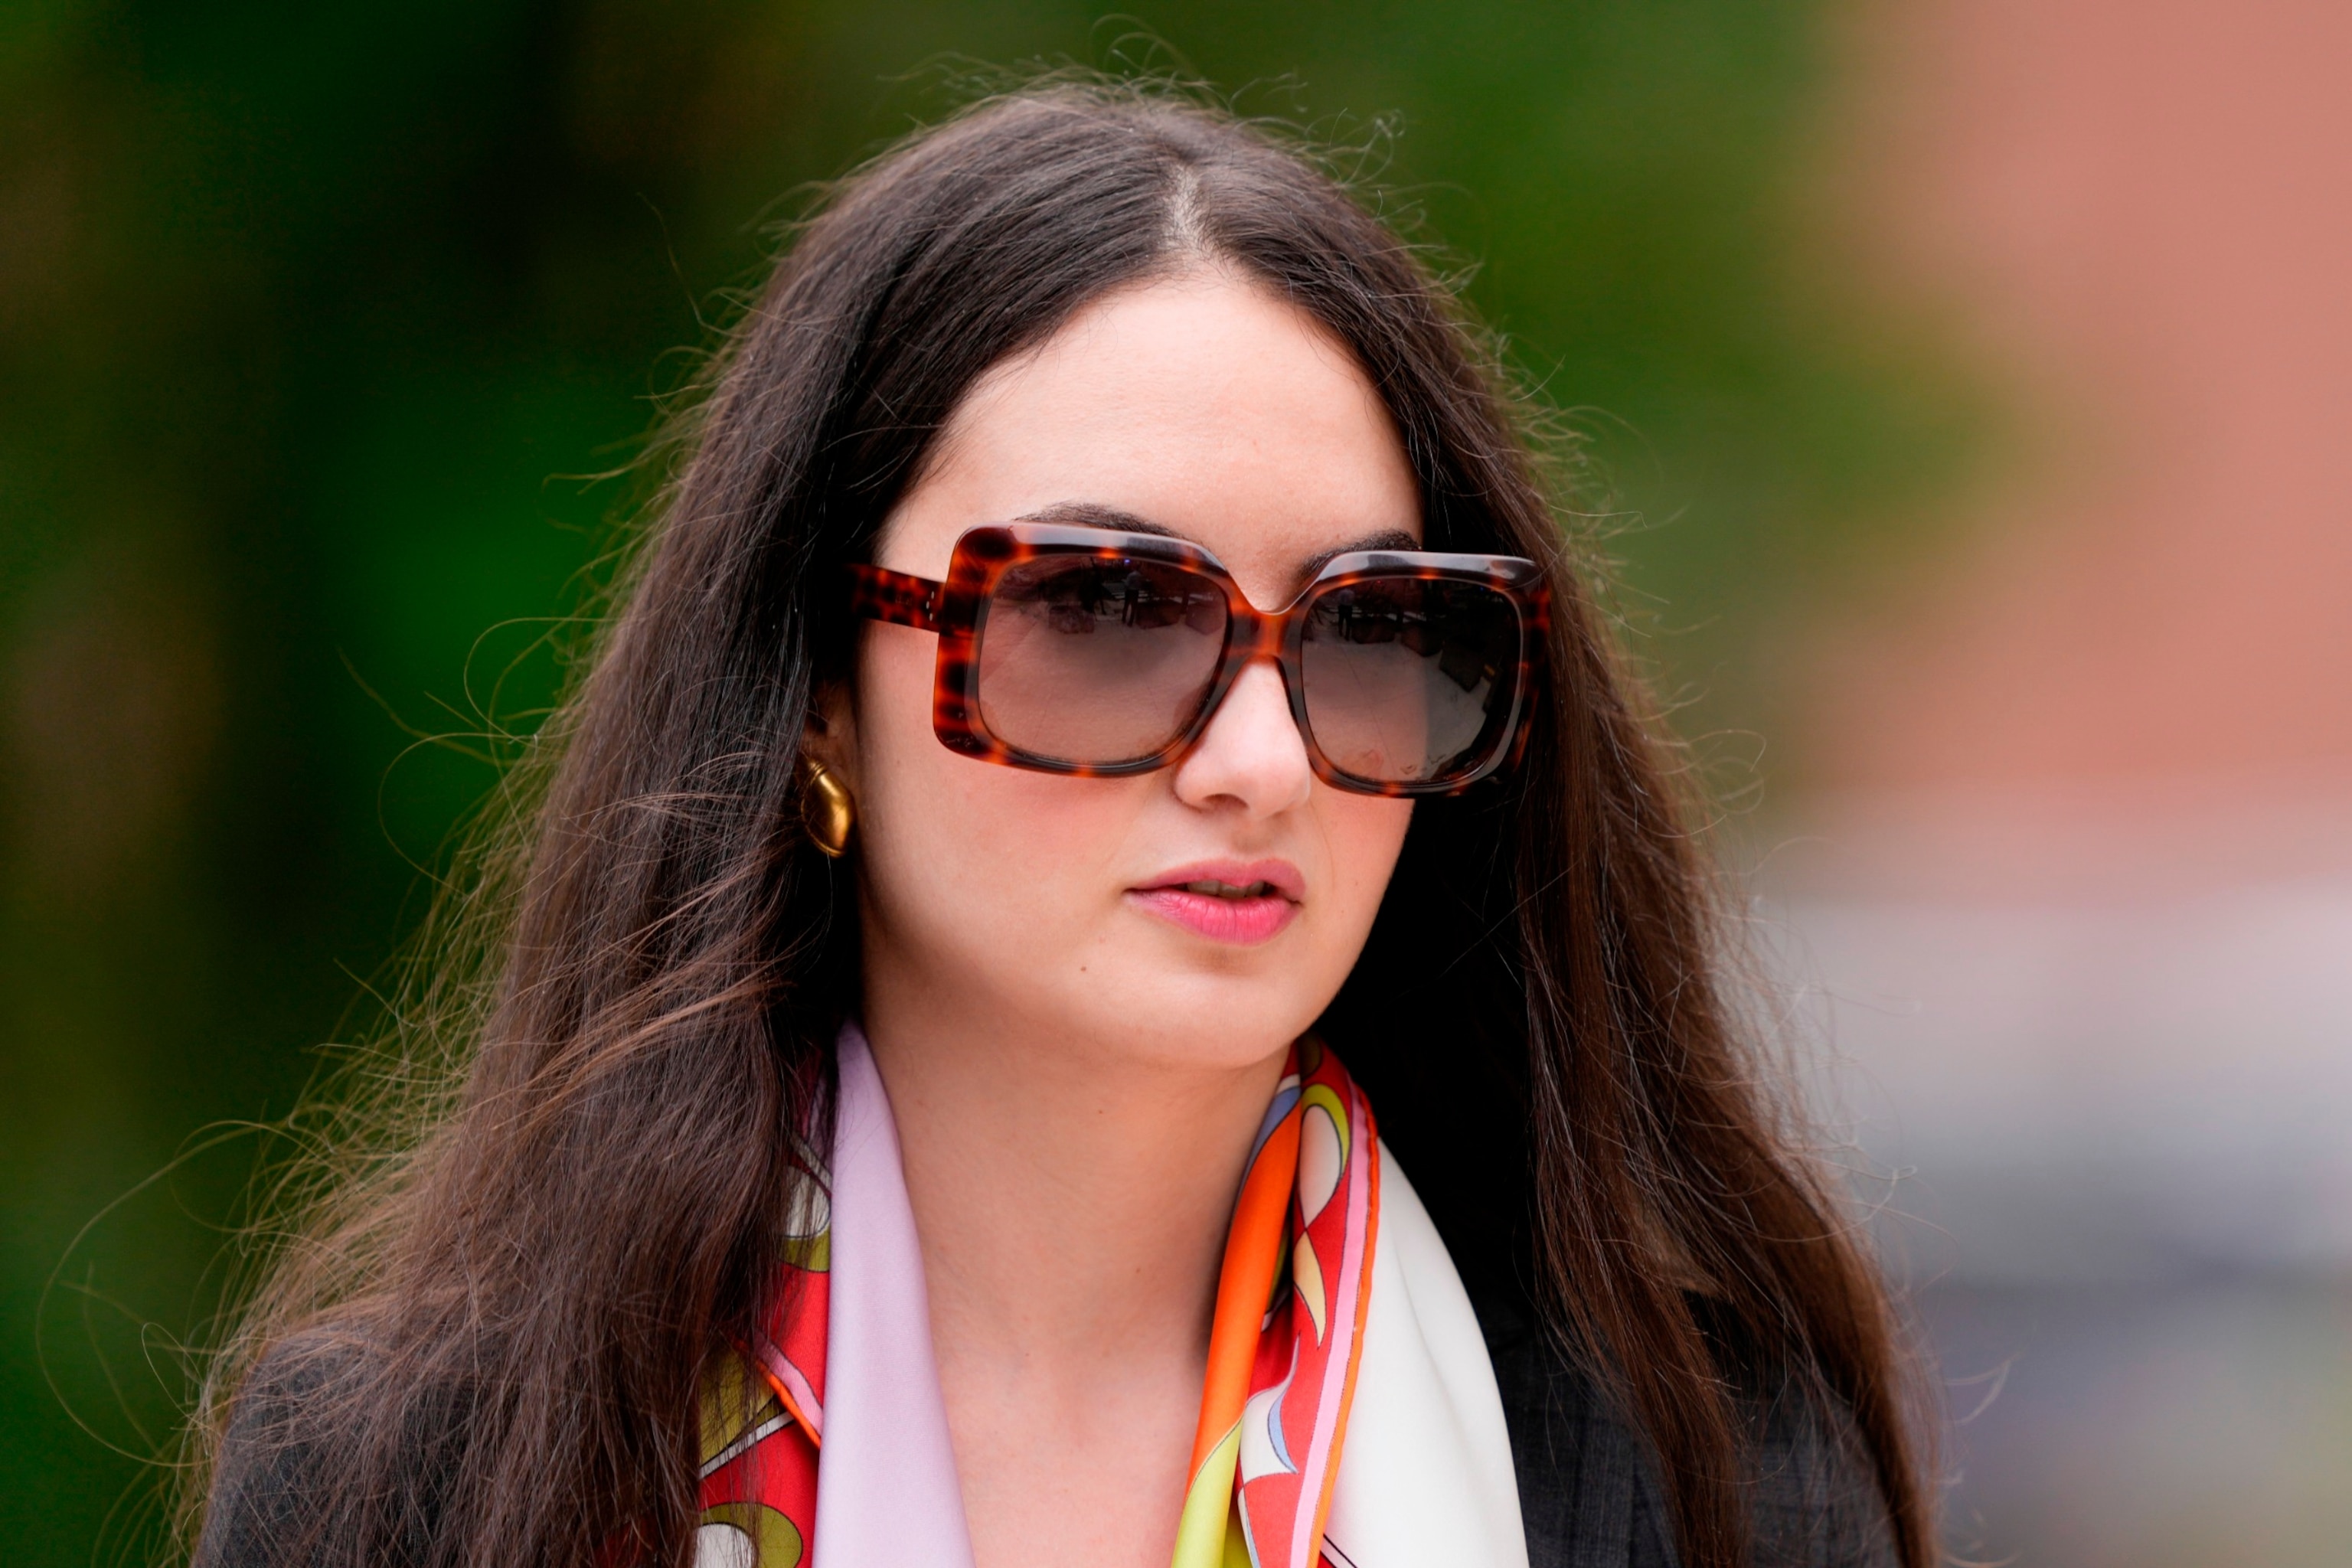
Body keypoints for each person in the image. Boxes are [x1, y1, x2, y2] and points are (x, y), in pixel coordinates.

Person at [190, 84, 1929, 1568]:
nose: (1262, 757)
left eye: (1372, 630)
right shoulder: (417, 1483)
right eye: (1102, 614)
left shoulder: (1696, 1476)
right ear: (812, 690)